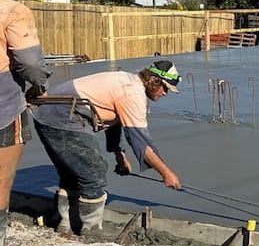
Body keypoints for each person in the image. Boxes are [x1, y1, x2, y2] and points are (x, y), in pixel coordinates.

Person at [32, 60, 183, 236]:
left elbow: (114, 120)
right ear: (154, 81)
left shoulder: (127, 80)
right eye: (165, 88)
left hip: (47, 113)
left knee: (72, 172)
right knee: (94, 172)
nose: (165, 93)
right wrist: (166, 173)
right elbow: (142, 143)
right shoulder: (133, 94)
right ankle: (91, 230)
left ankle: (65, 223)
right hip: (63, 116)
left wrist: (119, 154)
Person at [0, 0, 51, 246]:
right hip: (3, 104)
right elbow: (30, 64)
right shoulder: (13, 11)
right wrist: (40, 84)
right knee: (1, 181)